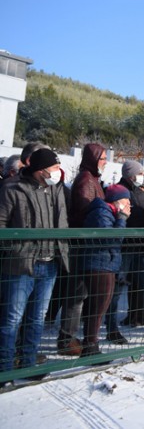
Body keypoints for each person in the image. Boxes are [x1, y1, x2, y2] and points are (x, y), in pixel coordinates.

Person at [0, 149, 70, 376]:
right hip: (21, 265)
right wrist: (15, 249)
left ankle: (28, 363)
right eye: (54, 168)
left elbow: (62, 222)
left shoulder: (56, 189)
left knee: (37, 318)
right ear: (41, 170)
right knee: (12, 318)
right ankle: (5, 368)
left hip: (49, 263)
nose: (58, 172)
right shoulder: (13, 188)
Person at [58, 143, 107, 356]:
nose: (105, 162)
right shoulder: (86, 181)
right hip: (82, 245)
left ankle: (70, 336)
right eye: (102, 158)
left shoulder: (92, 179)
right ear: (93, 159)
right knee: (77, 293)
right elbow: (85, 211)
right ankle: (66, 338)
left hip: (88, 245)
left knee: (81, 293)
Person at [79, 184, 130, 356]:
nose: (129, 206)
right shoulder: (101, 213)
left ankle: (91, 344)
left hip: (106, 263)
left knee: (99, 306)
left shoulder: (107, 213)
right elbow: (111, 239)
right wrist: (122, 219)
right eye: (126, 201)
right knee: (98, 307)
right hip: (100, 264)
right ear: (117, 201)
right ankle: (90, 346)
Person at [112, 161, 144, 334]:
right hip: (125, 248)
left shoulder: (139, 191)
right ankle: (111, 325)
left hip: (139, 246)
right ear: (131, 175)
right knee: (117, 288)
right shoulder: (121, 192)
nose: (142, 176)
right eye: (140, 173)